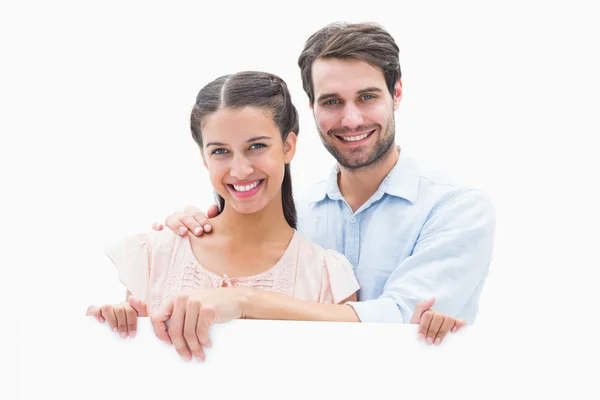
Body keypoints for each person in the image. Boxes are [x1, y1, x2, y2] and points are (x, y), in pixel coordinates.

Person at [152, 21, 494, 351]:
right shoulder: (293, 214)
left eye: (367, 97)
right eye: (332, 101)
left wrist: (243, 301)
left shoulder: (456, 209)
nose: (351, 119)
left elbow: (399, 323)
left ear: (397, 94)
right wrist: (192, 234)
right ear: (312, 106)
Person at [86, 70, 465, 362]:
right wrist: (117, 329)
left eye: (256, 147)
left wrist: (435, 340)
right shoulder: (155, 253)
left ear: (288, 145)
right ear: (203, 157)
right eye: (220, 151)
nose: (239, 170)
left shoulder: (328, 276)